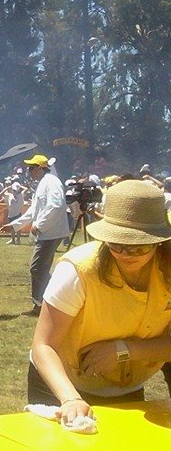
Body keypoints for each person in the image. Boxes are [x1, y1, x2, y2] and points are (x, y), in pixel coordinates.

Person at [28, 180, 171, 424]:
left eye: (138, 247)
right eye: (116, 244)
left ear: (158, 241)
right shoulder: (78, 270)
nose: (125, 254)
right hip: (62, 384)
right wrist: (70, 399)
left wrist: (123, 351)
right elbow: (43, 346)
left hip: (126, 385)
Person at [0, 154, 69, 316]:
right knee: (41, 269)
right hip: (48, 232)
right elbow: (34, 211)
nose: (28, 171)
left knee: (37, 268)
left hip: (50, 232)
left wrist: (40, 225)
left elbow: (56, 205)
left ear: (40, 168)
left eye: (31, 168)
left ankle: (41, 305)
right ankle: (55, 299)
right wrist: (15, 226)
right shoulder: (44, 183)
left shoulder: (51, 182)